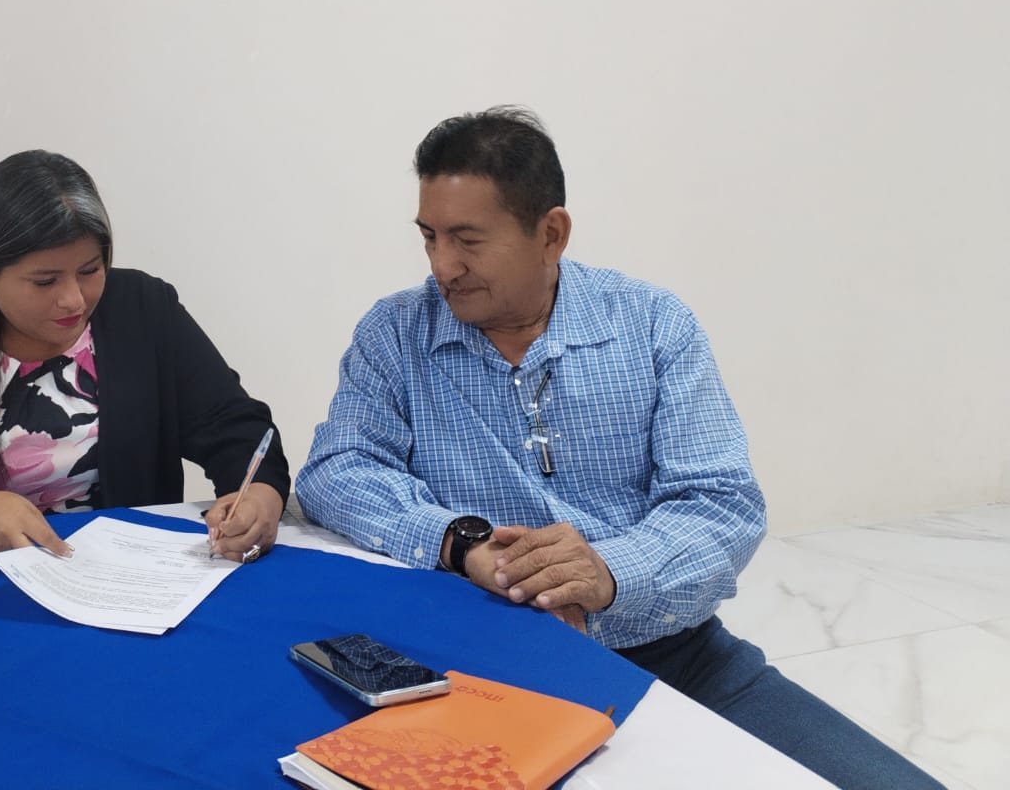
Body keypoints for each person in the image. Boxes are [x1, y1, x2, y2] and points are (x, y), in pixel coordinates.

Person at [295, 107, 943, 790]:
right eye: (428, 236)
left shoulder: (651, 323)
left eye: (467, 240)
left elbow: (720, 503)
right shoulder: (396, 332)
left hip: (671, 655)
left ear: (551, 233)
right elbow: (338, 469)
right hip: (473, 666)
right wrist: (464, 541)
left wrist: (605, 575)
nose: (442, 265)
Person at [0, 149, 287, 562]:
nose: (74, 300)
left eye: (90, 270)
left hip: (126, 578)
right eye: (45, 281)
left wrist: (259, 499)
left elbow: (238, 431)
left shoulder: (144, 309)